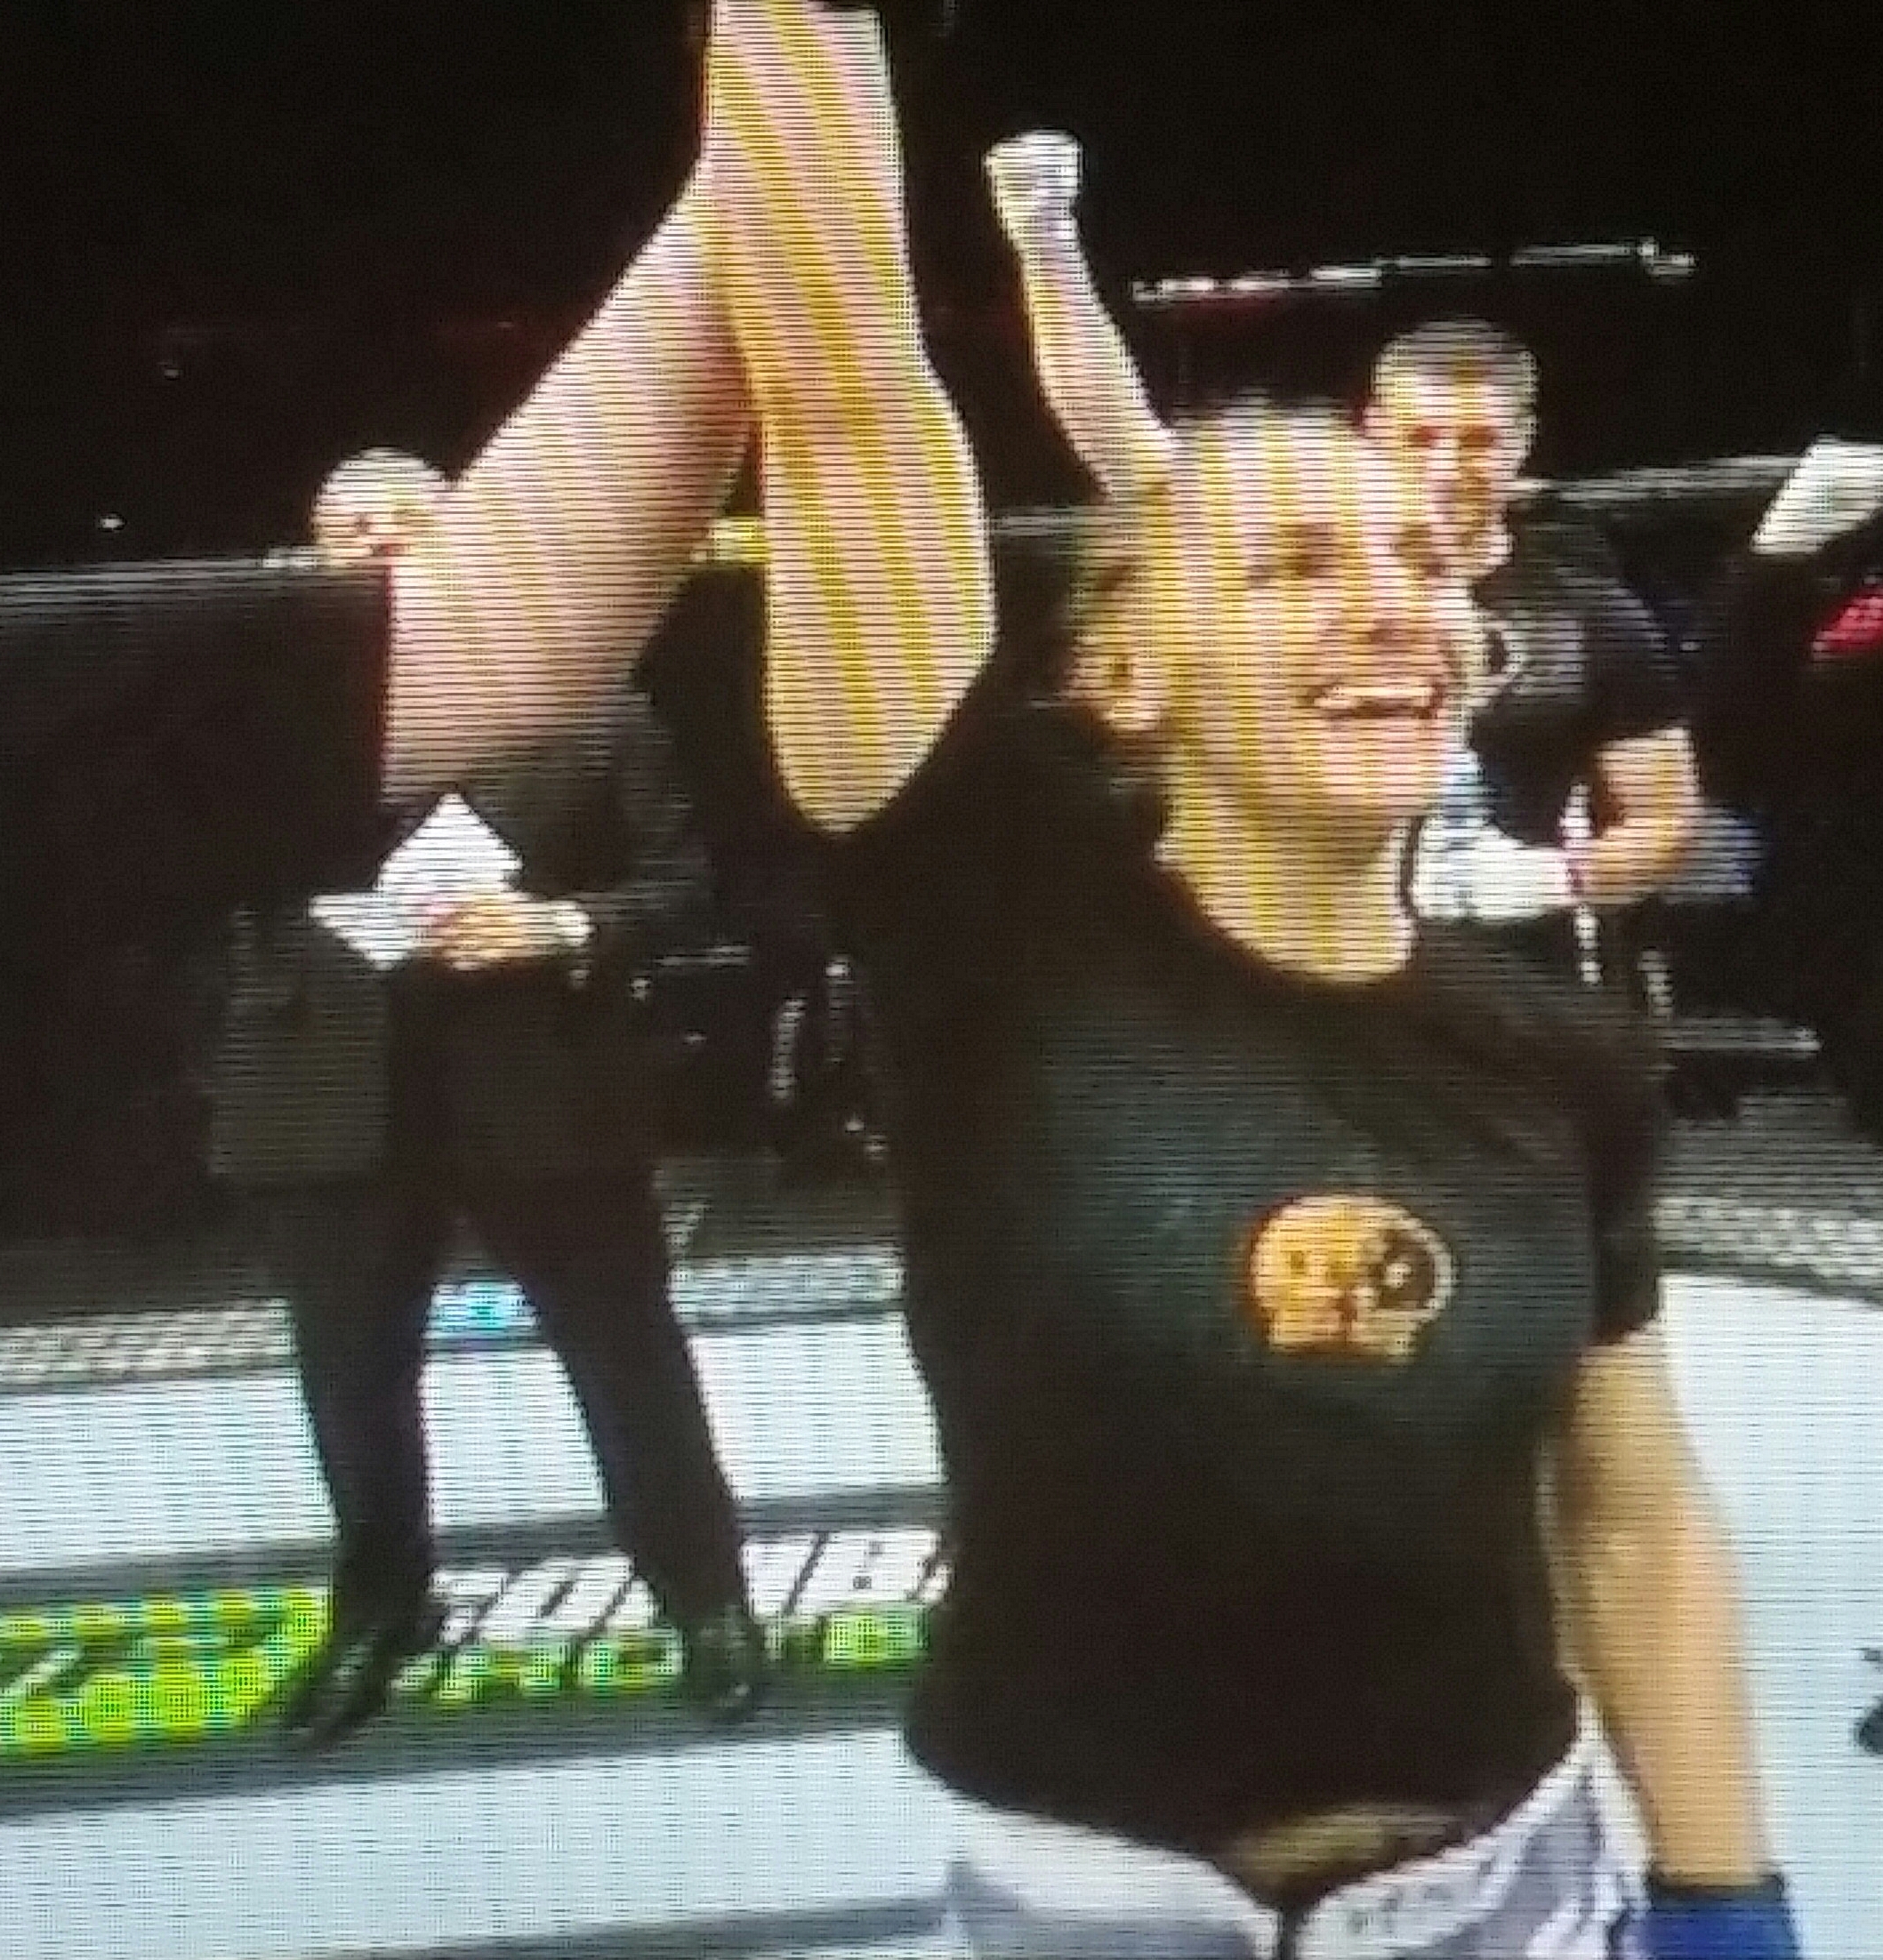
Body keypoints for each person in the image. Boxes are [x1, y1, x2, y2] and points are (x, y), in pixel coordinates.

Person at [345, 4, 1799, 1951]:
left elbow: (1627, 1508)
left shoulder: (1558, 1054)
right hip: (1083, 1908)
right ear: (1120, 673)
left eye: (1416, 564)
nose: (1392, 603)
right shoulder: (987, 915)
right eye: (1291, 567)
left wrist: (1721, 1891)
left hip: (1508, 1900)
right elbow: (841, 370)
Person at [217, 450, 764, 1751]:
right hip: (322, 1090)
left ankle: (706, 1599)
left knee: (625, 1356)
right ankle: (381, 1608)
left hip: (539, 1082)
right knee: (350, 1377)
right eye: (353, 526)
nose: (381, 540)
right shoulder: (250, 727)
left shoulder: (586, 702)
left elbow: (687, 887)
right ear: (311, 557)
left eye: (409, 519)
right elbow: (175, 888)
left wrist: (562, 925)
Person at [981, 136, 1705, 988]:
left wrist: (1556, 877)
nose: (1447, 467)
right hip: (1276, 968)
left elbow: (1664, 815)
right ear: (1371, 429)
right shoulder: (1287, 547)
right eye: (1420, 437)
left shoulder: (1585, 609)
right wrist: (1047, 244)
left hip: (1503, 988)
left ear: (1522, 443)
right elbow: (1121, 441)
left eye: (1477, 441)